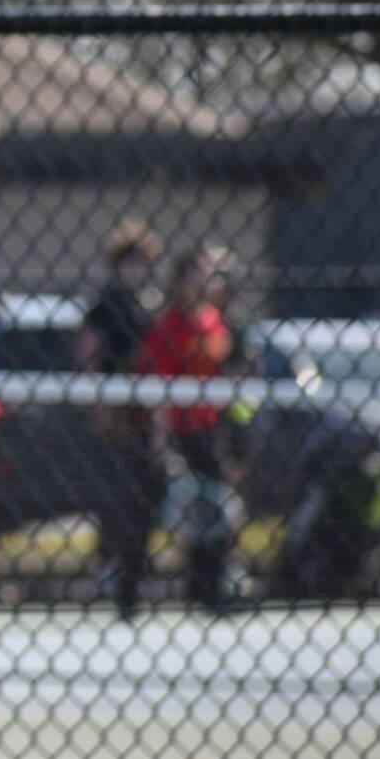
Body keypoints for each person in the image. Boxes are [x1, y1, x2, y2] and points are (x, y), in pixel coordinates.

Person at [133, 244, 240, 613]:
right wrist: (162, 441)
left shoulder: (213, 320)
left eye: (209, 273)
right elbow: (159, 386)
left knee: (216, 510)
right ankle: (139, 588)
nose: (207, 280)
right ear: (180, 281)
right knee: (181, 512)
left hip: (211, 430)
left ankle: (210, 589)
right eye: (198, 273)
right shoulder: (170, 324)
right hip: (179, 432)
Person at [72, 219, 166, 619]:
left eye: (141, 260)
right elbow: (88, 355)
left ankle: (132, 571)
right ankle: (110, 565)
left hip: (146, 414)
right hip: (116, 413)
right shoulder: (105, 304)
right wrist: (102, 408)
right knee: (115, 496)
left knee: (149, 494)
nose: (135, 268)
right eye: (128, 260)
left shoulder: (151, 303)